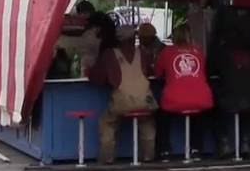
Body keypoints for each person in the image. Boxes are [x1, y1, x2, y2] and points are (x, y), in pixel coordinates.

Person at [89, 25, 157, 163]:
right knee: (147, 122)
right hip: (144, 101)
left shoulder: (109, 55)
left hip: (122, 102)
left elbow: (97, 78)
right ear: (133, 38)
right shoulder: (143, 54)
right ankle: (148, 155)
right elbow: (152, 72)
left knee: (107, 123)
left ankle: (107, 157)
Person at [153, 24, 213, 159]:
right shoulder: (198, 52)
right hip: (201, 98)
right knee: (199, 115)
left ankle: (164, 150)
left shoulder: (167, 52)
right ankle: (196, 149)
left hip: (174, 100)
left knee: (162, 116)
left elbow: (157, 73)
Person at [207, 20, 250, 158]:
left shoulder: (220, 51)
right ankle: (245, 143)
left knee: (214, 109)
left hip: (230, 97)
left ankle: (224, 144)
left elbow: (210, 70)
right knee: (246, 113)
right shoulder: (249, 49)